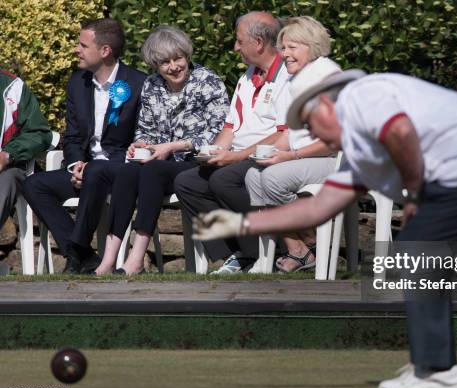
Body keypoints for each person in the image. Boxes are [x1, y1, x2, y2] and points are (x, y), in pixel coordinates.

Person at [190, 60, 457, 388]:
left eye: (312, 126)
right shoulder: (360, 148)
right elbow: (317, 209)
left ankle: (437, 370)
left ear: (325, 106)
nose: (314, 137)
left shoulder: (362, 95)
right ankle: (435, 366)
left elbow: (401, 130)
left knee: (416, 249)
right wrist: (244, 221)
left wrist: (415, 195)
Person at [94, 26, 229, 276]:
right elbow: (145, 129)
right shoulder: (151, 85)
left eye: (178, 58)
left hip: (197, 161)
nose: (174, 66)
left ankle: (136, 258)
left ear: (186, 55)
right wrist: (141, 144)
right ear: (156, 65)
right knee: (127, 172)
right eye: (165, 62)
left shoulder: (207, 80)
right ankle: (108, 260)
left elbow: (220, 133)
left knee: (153, 171)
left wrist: (174, 146)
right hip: (162, 163)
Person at [23, 18, 146, 274]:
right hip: (86, 171)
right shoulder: (78, 83)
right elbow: (74, 137)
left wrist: (93, 167)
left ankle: (76, 254)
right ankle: (84, 255)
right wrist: (75, 165)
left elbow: (140, 138)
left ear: (104, 51)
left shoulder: (137, 84)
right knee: (34, 184)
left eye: (82, 45)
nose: (76, 49)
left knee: (96, 171)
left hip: (119, 172)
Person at [174, 11, 291, 275]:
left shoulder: (287, 76)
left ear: (258, 42)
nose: (235, 47)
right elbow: (230, 127)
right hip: (241, 156)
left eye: (239, 41)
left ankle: (277, 248)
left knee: (223, 179)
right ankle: (237, 253)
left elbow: (284, 134)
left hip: (270, 155)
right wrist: (214, 152)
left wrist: (235, 158)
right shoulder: (246, 77)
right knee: (187, 181)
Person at [245, 16, 336, 273]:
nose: (285, 54)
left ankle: (310, 238)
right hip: (307, 157)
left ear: (313, 46)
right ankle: (298, 250)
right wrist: (271, 151)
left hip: (334, 160)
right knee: (253, 174)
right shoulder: (299, 80)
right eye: (284, 48)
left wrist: (289, 157)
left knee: (273, 178)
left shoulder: (327, 78)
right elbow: (290, 134)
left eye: (293, 47)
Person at [0, 70, 52, 232]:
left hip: (8, 167)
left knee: (6, 180)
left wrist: (7, 155)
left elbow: (38, 132)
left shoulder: (13, 87)